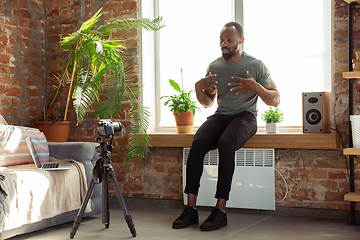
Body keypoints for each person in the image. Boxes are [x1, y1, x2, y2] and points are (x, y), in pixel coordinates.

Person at [172, 22, 280, 231]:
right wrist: (197, 87)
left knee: (226, 143)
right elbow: (207, 102)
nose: (224, 44)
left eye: (229, 40)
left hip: (245, 117)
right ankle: (191, 209)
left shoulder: (256, 65)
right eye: (221, 40)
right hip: (221, 115)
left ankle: (220, 210)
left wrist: (255, 86)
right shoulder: (214, 66)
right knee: (198, 142)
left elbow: (275, 100)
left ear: (241, 40)